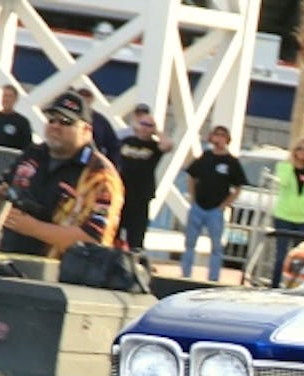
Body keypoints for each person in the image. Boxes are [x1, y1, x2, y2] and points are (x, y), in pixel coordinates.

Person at [0, 91, 122, 257]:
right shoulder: (34, 154)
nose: (56, 126)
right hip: (7, 258)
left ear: (86, 130)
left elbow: (95, 239)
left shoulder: (99, 175)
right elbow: (3, 182)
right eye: (51, 120)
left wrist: (33, 228)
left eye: (66, 122)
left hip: (63, 267)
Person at [180, 124, 248, 281]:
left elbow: (238, 187)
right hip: (198, 206)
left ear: (227, 139)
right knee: (190, 243)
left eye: (222, 136)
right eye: (216, 135)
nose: (219, 138)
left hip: (215, 210)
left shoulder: (231, 162)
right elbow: (191, 176)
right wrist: (193, 197)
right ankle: (185, 274)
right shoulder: (205, 157)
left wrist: (224, 206)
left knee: (216, 246)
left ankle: (213, 277)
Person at [269, 137, 304, 289]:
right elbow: (284, 182)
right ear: (294, 151)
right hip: (284, 215)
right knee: (281, 254)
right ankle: (275, 285)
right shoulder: (283, 166)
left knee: (300, 257)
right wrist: (292, 166)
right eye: (299, 148)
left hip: (302, 217)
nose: (303, 152)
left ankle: (293, 286)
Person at [117, 103, 172, 252]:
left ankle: (134, 256)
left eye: (149, 125)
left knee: (136, 234)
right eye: (143, 124)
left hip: (141, 195)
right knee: (116, 228)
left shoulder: (154, 146)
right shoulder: (126, 140)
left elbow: (168, 145)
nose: (145, 128)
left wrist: (157, 131)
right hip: (122, 192)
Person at [75, 87, 120, 165]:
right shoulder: (66, 118)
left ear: (91, 101)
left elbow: (113, 145)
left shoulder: (100, 121)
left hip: (92, 162)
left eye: (87, 100)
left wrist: (111, 165)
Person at [0, 85, 33, 151]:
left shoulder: (22, 122)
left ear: (15, 99)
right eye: (4, 96)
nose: (6, 99)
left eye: (10, 96)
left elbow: (27, 147)